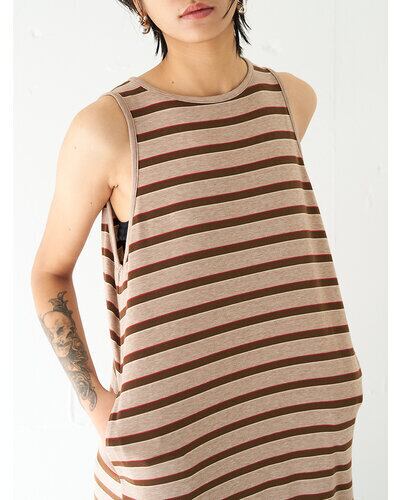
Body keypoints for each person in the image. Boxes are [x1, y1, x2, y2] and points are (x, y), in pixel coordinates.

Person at [30, 1, 363, 498]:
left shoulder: (291, 100)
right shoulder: (109, 129)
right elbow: (49, 272)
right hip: (175, 456)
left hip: (307, 431)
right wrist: (100, 409)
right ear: (139, 7)